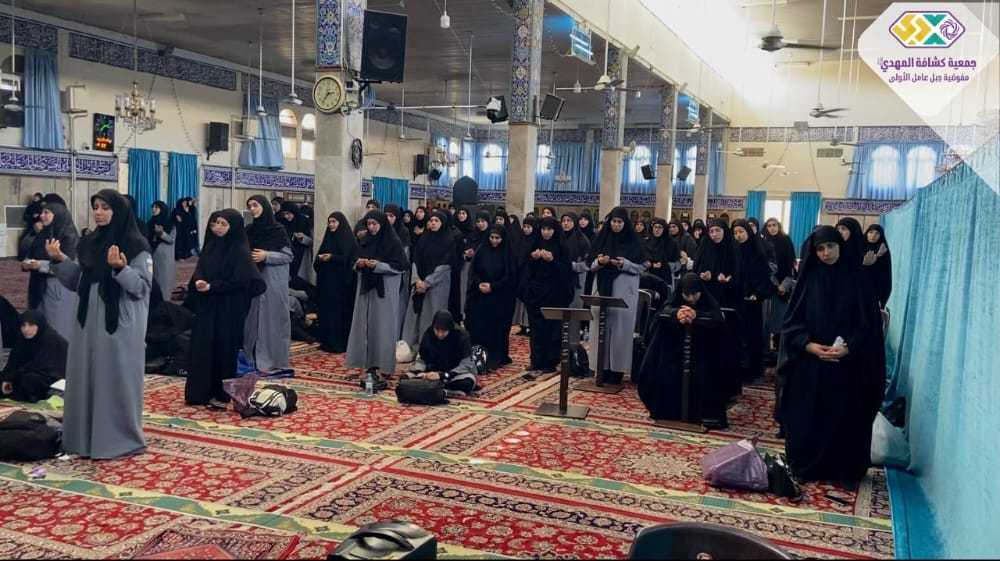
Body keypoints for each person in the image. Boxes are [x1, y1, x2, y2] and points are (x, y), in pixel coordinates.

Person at [48, 189, 152, 459]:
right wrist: (60, 260)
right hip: (86, 321)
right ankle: (82, 439)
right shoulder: (90, 243)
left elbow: (142, 288)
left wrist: (121, 268)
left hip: (118, 324)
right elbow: (78, 282)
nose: (99, 212)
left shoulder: (136, 245)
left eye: (105, 207)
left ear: (119, 211)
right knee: (85, 376)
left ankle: (119, 439)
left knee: (113, 378)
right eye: (96, 207)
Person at [778, 226, 874, 485]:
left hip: (846, 364)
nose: (826, 253)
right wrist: (808, 345)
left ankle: (841, 469)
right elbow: (792, 323)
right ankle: (806, 466)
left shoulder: (857, 278)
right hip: (811, 363)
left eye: (830, 246)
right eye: (820, 249)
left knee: (843, 416)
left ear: (840, 246)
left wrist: (848, 347)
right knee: (808, 415)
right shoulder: (808, 279)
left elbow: (868, 324)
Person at [185, 209, 266, 408]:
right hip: (207, 306)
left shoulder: (239, 251)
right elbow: (200, 270)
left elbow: (242, 282)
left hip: (229, 309)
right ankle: (199, 393)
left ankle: (221, 394)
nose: (218, 228)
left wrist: (213, 286)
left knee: (223, 349)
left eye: (223, 224)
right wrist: (199, 282)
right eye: (215, 223)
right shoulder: (211, 247)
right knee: (203, 347)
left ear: (233, 227)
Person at [638, 274, 725, 424]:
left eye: (695, 294)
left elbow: (718, 317)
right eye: (687, 295)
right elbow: (663, 312)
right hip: (674, 355)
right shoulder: (676, 300)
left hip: (702, 354)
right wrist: (676, 314)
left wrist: (697, 315)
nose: (691, 299)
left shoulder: (708, 301)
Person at [346, 210, 408, 384]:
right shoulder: (365, 240)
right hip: (366, 289)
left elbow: (400, 266)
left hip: (385, 291)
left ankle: (384, 367)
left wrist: (379, 266)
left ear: (382, 224)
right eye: (369, 224)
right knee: (366, 327)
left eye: (375, 224)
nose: (371, 227)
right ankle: (368, 365)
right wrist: (359, 263)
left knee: (383, 328)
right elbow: (354, 260)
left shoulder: (393, 242)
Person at [587, 207, 645, 384]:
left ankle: (617, 370)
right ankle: (600, 367)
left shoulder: (633, 242)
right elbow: (590, 264)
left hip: (624, 290)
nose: (616, 225)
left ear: (625, 223)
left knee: (620, 331)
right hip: (602, 287)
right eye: (613, 221)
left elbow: (642, 266)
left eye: (620, 222)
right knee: (600, 327)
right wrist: (600, 261)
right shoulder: (602, 239)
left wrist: (624, 264)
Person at [694, 219, 742, 399]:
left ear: (724, 231)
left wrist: (728, 280)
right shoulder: (704, 247)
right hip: (707, 301)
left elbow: (739, 275)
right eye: (711, 231)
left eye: (717, 230)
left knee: (726, 345)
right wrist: (703, 275)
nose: (714, 234)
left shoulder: (733, 249)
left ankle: (727, 388)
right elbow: (696, 271)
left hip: (728, 302)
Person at [244, 195, 293, 370]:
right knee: (252, 321)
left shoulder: (277, 230)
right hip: (253, 281)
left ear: (264, 207)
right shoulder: (249, 230)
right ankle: (251, 358)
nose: (252, 209)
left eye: (255, 205)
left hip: (272, 283)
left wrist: (267, 256)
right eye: (250, 206)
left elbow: (288, 256)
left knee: (272, 321)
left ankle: (273, 358)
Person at [19, 201, 80, 340]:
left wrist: (40, 265)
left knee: (58, 329)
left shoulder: (69, 236)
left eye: (47, 212)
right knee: (39, 327)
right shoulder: (42, 234)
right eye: (42, 212)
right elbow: (25, 252)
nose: (42, 216)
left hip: (59, 289)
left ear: (57, 214)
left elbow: (70, 266)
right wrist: (27, 263)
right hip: (38, 287)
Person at [518, 216, 572, 373]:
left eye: (549, 229)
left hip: (554, 294)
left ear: (555, 230)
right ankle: (536, 360)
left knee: (552, 328)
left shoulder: (561, 247)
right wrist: (533, 258)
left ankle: (550, 361)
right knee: (536, 329)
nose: (546, 232)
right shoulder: (534, 244)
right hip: (535, 293)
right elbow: (524, 266)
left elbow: (566, 270)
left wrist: (552, 260)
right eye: (543, 229)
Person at [466, 225, 515, 370]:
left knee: (497, 330)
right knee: (480, 327)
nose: (494, 241)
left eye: (497, 238)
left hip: (500, 298)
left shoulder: (507, 253)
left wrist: (493, 286)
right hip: (481, 296)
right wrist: (479, 283)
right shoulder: (482, 250)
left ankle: (497, 357)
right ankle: (480, 356)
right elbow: (474, 271)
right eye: (492, 237)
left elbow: (510, 276)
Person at [403, 210, 454, 350]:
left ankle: (429, 349)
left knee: (431, 317)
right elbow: (415, 259)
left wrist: (427, 283)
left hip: (437, 286)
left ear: (443, 223)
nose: (433, 223)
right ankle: (411, 348)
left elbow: (445, 265)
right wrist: (416, 280)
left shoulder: (448, 241)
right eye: (431, 220)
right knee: (414, 317)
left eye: (437, 221)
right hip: (419, 285)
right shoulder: (423, 239)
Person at [732, 219, 773, 384]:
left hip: (752, 300)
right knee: (736, 334)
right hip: (736, 299)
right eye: (735, 232)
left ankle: (753, 370)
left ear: (748, 232)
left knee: (751, 335)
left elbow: (763, 276)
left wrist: (757, 293)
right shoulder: (733, 250)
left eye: (741, 232)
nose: (738, 235)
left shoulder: (757, 251)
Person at [314, 212, 358, 353]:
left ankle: (339, 343)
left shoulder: (348, 240)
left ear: (341, 223)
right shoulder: (328, 238)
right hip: (327, 285)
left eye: (334, 221)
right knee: (326, 313)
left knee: (339, 314)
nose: (331, 224)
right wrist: (320, 259)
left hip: (342, 286)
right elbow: (316, 262)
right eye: (329, 222)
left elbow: (349, 260)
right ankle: (326, 341)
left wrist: (332, 258)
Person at [0, 311, 68, 403]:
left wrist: (14, 376)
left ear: (40, 325)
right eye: (23, 325)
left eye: (31, 325)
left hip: (52, 377)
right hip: (25, 373)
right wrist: (6, 378)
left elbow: (45, 367)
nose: (26, 329)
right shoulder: (22, 341)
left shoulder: (52, 340)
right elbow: (12, 364)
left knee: (30, 379)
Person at [408, 310, 478, 395]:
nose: (440, 334)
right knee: (406, 378)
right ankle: (438, 389)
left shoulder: (461, 336)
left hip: (453, 374)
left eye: (443, 331)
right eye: (437, 330)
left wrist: (443, 375)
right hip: (432, 373)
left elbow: (466, 365)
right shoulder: (429, 334)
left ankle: (438, 389)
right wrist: (420, 372)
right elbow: (422, 358)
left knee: (468, 382)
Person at [763, 218, 797, 349]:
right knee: (765, 319)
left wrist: (783, 285)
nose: (772, 228)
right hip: (767, 285)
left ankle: (779, 348)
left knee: (780, 317)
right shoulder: (763, 242)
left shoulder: (786, 240)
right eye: (769, 226)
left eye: (774, 225)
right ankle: (766, 349)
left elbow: (790, 265)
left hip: (783, 284)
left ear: (779, 226)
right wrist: (772, 283)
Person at [384, 204, 412, 337]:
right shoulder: (382, 230)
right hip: (383, 272)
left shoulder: (403, 231)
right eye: (386, 215)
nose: (388, 218)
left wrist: (392, 265)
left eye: (391, 216)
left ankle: (397, 334)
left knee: (398, 305)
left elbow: (404, 255)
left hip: (398, 272)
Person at [511, 215, 538, 336]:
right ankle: (521, 324)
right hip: (520, 275)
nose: (526, 229)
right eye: (525, 226)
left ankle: (529, 325)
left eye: (529, 227)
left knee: (530, 302)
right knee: (520, 302)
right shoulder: (520, 240)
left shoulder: (536, 241)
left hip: (531, 277)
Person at [277, 201, 314, 289]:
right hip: (286, 255)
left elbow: (311, 241)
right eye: (284, 214)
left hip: (300, 256)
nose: (286, 216)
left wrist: (302, 238)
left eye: (288, 213)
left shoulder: (304, 221)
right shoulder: (282, 223)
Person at [560, 212, 592, 308]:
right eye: (563, 221)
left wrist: (572, 266)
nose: (566, 223)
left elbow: (588, 263)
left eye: (569, 221)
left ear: (574, 222)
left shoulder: (582, 240)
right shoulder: (558, 237)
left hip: (576, 279)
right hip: (558, 279)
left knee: (573, 309)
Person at [147, 201, 177, 298]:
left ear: (162, 209)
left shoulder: (170, 223)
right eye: (153, 207)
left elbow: (171, 239)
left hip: (164, 258)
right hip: (151, 255)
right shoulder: (151, 222)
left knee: (164, 281)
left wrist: (161, 233)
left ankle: (164, 301)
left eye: (156, 207)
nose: (153, 209)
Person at [644, 218, 681, 286]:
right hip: (647, 276)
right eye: (655, 227)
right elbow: (642, 259)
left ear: (664, 229)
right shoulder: (647, 242)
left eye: (660, 227)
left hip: (665, 278)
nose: (657, 230)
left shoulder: (671, 243)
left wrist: (665, 265)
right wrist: (650, 265)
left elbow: (678, 264)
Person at [863, 224, 892, 309]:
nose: (873, 236)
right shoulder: (859, 248)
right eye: (871, 232)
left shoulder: (884, 252)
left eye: (877, 233)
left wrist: (878, 257)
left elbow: (886, 277)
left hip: (875, 293)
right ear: (867, 233)